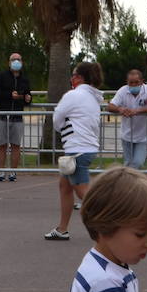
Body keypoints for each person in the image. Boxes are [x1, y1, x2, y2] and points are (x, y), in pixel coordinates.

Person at [45, 62, 105, 240]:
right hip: (85, 147)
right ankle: (62, 228)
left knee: (83, 192)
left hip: (77, 148)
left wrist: (64, 126)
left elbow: (57, 119)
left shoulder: (73, 95)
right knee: (65, 186)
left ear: (79, 77)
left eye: (73, 75)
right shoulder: (93, 97)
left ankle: (112, 226)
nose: (71, 78)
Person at [0, 52, 32, 181]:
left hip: (17, 117)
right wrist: (9, 95)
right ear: (9, 62)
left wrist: (27, 98)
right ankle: (1, 172)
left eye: (18, 59)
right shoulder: (1, 76)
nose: (16, 62)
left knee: (16, 145)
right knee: (2, 145)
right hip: (1, 116)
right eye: (13, 60)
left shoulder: (25, 79)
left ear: (22, 62)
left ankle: (13, 172)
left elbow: (27, 96)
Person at [107, 69, 147, 170]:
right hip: (127, 134)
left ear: (142, 81)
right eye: (131, 82)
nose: (133, 85)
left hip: (143, 135)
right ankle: (128, 183)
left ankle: (128, 180)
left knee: (138, 162)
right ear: (127, 82)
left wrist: (137, 111)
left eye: (136, 82)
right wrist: (120, 109)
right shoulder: (123, 91)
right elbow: (110, 106)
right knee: (128, 163)